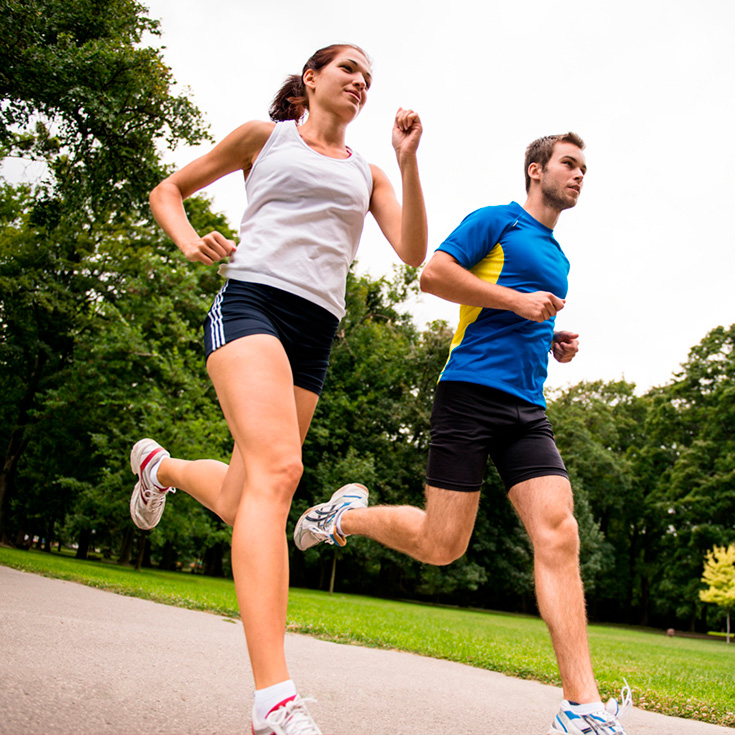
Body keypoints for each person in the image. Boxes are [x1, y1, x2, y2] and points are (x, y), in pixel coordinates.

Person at [128, 43, 427, 735]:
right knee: (281, 472)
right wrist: (185, 238)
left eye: (369, 77)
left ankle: (160, 467)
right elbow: (166, 190)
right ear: (312, 78)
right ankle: (274, 699)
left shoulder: (368, 170)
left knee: (244, 499)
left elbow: (412, 251)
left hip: (315, 332)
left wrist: (407, 164)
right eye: (347, 68)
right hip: (253, 303)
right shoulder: (264, 139)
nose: (360, 80)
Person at [294, 133, 633, 735]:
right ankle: (343, 517)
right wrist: (514, 302)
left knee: (560, 533)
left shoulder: (559, 255)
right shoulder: (494, 221)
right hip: (469, 396)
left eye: (585, 167)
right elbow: (432, 276)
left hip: (528, 408)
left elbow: (517, 313)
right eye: (569, 164)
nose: (580, 174)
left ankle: (581, 706)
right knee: (441, 544)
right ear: (536, 170)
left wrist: (548, 337)